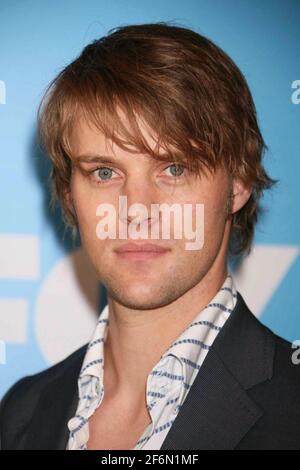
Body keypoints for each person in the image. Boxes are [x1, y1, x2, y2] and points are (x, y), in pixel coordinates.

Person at [1, 22, 299, 450]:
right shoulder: (21, 414)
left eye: (174, 168)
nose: (136, 210)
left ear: (238, 183)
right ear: (70, 194)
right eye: (104, 172)